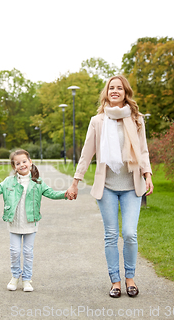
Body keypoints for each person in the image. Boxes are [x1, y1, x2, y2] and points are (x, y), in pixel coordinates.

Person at [66, 75, 154, 298]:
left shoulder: (137, 119)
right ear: (106, 92)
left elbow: (143, 150)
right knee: (111, 235)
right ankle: (115, 281)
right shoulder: (98, 121)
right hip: (106, 186)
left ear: (126, 93)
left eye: (119, 88)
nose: (115, 91)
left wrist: (148, 174)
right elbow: (87, 152)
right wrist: (76, 181)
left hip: (131, 185)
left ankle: (130, 278)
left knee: (130, 233)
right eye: (111, 88)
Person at [0, 149, 68, 292]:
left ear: (30, 162)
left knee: (28, 252)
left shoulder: (38, 183)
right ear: (14, 167)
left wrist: (65, 194)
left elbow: (51, 193)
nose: (22, 165)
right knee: (14, 251)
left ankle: (26, 279)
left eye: (24, 161)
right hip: (14, 223)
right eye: (18, 163)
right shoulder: (9, 182)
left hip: (30, 223)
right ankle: (15, 276)